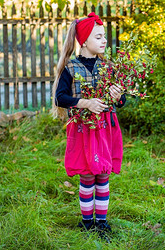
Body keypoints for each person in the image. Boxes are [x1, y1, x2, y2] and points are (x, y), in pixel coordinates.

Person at [52, 12, 126, 239]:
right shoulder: (71, 68)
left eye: (105, 37)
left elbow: (121, 102)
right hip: (84, 129)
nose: (105, 41)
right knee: (87, 176)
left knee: (103, 176)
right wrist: (86, 103)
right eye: (99, 37)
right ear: (83, 41)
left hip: (105, 129)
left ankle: (101, 223)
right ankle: (87, 223)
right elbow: (60, 98)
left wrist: (118, 95)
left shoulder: (108, 67)